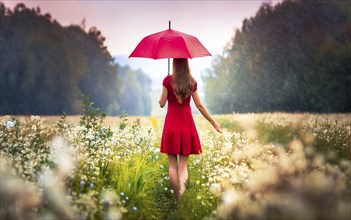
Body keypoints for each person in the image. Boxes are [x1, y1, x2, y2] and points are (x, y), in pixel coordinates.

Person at [159, 58, 221, 201]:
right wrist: (213, 122)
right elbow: (199, 106)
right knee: (183, 167)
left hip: (171, 125)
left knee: (172, 167)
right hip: (187, 125)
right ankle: (182, 197)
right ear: (186, 64)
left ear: (174, 64)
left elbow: (162, 103)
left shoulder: (167, 81)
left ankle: (178, 200)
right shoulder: (192, 82)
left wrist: (166, 88)